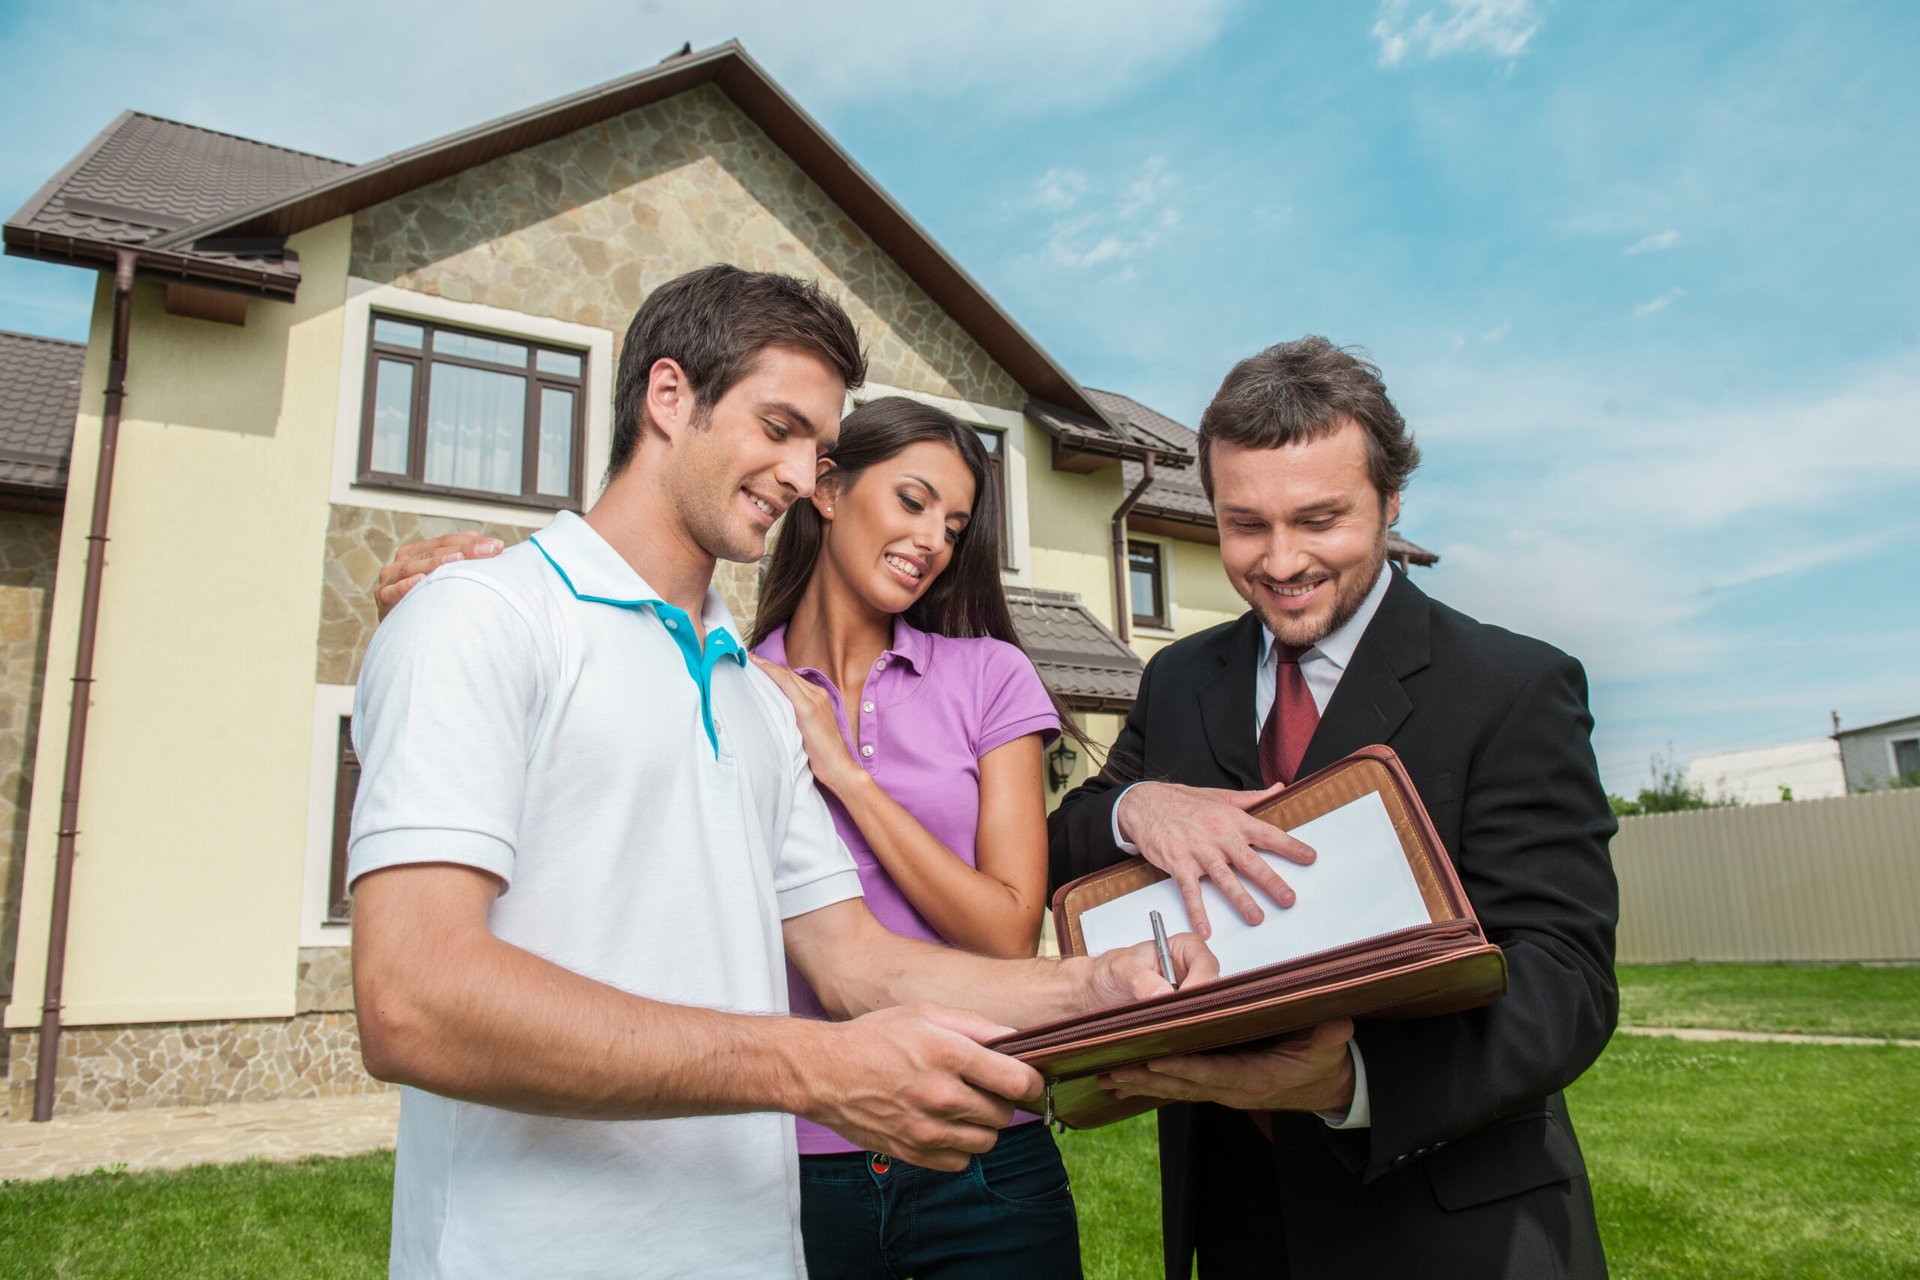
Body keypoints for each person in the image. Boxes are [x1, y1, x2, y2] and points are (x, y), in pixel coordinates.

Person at [349, 263, 1210, 1279]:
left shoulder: (755, 698)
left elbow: (855, 960)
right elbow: (412, 996)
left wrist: (1088, 983)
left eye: (820, 447)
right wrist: (814, 1066)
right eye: (778, 428)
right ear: (669, 397)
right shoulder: (480, 617)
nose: (804, 476)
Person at [1047, 337, 1619, 1279]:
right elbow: (1071, 845)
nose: (1281, 561)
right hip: (1236, 1223)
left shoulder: (1514, 686)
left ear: (1392, 503)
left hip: (1451, 1228)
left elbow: (1567, 981)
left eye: (1320, 519)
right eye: (1245, 526)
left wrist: (1353, 1083)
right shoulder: (1181, 677)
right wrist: (1137, 804)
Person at [747, 395, 1088, 1277]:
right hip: (790, 1160)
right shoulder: (737, 684)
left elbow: (1009, 928)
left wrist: (849, 778)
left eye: (955, 521)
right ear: (826, 488)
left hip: (982, 1149)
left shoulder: (991, 677)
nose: (934, 537)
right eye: (912, 499)